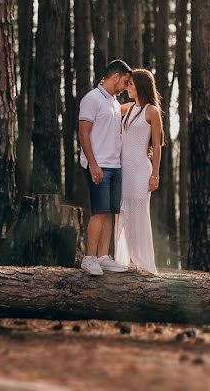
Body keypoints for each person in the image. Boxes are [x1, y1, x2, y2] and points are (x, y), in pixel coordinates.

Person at [78, 60, 133, 275]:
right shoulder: (91, 99)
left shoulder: (112, 101)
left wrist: (146, 103)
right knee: (99, 213)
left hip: (115, 166)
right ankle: (89, 258)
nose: (126, 87)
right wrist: (93, 164)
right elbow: (83, 133)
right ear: (115, 76)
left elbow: (123, 110)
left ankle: (103, 257)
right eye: (125, 82)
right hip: (97, 165)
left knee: (110, 212)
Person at [114, 68, 164, 275]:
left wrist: (155, 174)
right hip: (124, 170)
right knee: (124, 214)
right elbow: (110, 109)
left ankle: (144, 263)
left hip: (140, 170)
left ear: (141, 86)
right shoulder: (129, 108)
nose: (128, 87)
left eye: (131, 84)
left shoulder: (151, 110)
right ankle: (128, 261)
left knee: (138, 214)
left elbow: (158, 145)